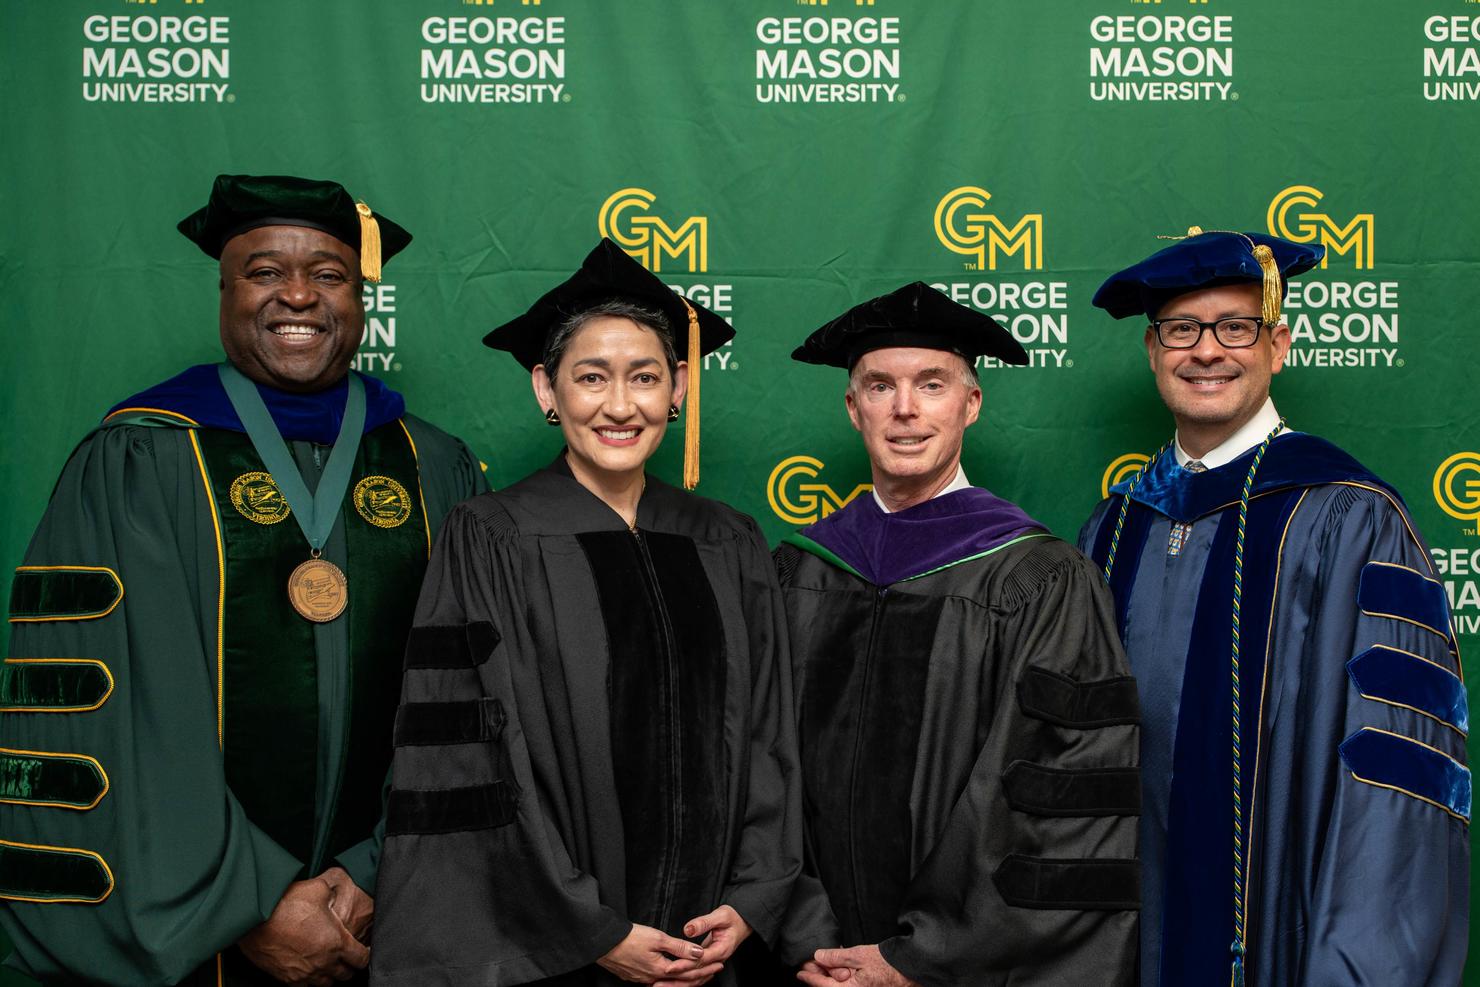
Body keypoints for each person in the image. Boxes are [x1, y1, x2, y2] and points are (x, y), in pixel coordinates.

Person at [0, 174, 486, 986]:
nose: (297, 295)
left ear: (361, 298)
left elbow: (465, 695)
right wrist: (255, 902)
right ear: (224, 291)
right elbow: (121, 716)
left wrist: (374, 869)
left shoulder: (434, 464)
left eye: (329, 275)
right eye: (264, 272)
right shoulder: (139, 460)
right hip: (206, 921)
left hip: (386, 911)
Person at [370, 238, 801, 987]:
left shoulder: (727, 539)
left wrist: (754, 897)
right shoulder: (492, 536)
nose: (620, 405)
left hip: (714, 948)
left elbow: (770, 732)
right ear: (547, 389)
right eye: (590, 377)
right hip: (558, 949)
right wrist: (591, 928)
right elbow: (472, 758)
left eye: (645, 376)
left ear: (680, 386)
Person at [1079, 228, 1469, 986]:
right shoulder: (1114, 527)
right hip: (1119, 942)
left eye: (1236, 327)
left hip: (1284, 941)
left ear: (1278, 344)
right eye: (1181, 330)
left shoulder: (1351, 518)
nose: (1207, 351)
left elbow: (1396, 781)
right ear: (1153, 352)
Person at [771, 282, 1140, 987]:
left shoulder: (1041, 580)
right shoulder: (797, 571)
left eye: (931, 383)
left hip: (964, 965)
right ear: (854, 408)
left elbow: (1056, 799)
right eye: (881, 385)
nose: (905, 408)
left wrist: (920, 956)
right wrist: (806, 936)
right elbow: (761, 767)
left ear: (970, 403)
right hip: (811, 961)